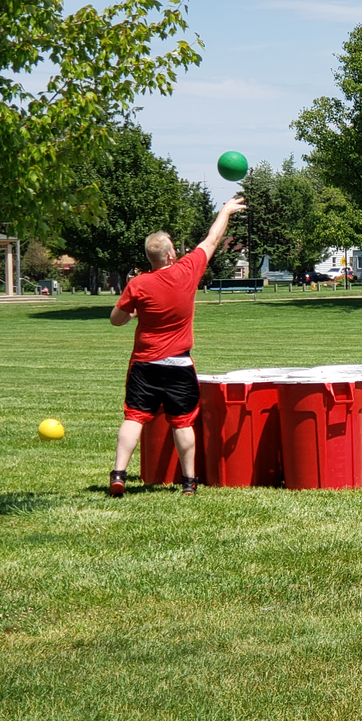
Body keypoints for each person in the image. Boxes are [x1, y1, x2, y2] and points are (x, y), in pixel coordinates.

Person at [109, 196, 246, 496]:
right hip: (179, 365)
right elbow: (212, 239)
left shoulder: (138, 285)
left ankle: (119, 474)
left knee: (134, 417)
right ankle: (189, 483)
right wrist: (225, 210)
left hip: (144, 365)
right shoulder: (186, 271)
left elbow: (116, 320)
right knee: (182, 423)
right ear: (171, 254)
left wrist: (133, 312)